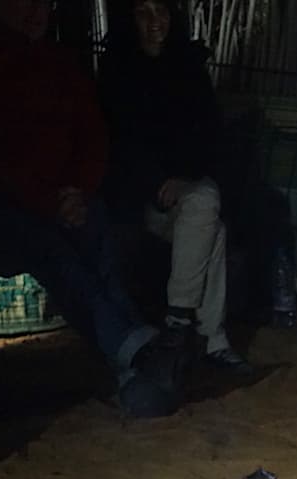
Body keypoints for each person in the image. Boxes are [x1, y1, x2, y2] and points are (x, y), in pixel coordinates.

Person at [0, 0, 183, 417]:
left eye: (43, 3)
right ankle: (138, 351)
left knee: (98, 239)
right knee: (51, 248)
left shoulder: (59, 61)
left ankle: (133, 371)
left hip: (67, 200)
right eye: (22, 2)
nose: (35, 12)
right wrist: (49, 200)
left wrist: (79, 192)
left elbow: (92, 132)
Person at [98, 0, 251, 374]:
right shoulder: (117, 72)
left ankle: (181, 322)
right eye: (142, 12)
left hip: (187, 194)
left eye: (161, 11)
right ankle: (207, 336)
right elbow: (117, 143)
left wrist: (186, 177)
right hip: (137, 200)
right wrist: (154, 183)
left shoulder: (188, 71)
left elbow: (210, 137)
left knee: (207, 205)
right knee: (212, 225)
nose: (155, 22)